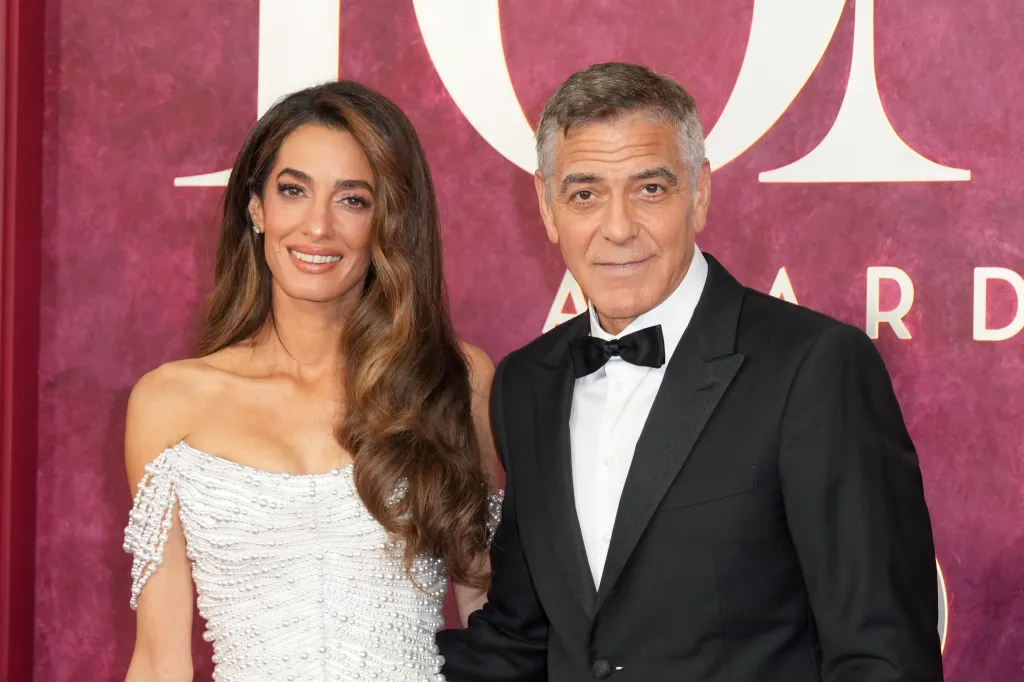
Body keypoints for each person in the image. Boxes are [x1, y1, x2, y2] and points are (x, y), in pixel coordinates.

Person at [438, 62, 943, 682]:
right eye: (584, 193)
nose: (618, 228)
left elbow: (881, 654)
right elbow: (520, 636)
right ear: (546, 207)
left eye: (650, 189)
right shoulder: (526, 384)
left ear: (699, 193)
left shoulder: (813, 368)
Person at [122, 81, 501, 682]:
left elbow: (489, 618)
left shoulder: (453, 378)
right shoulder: (169, 403)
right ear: (256, 208)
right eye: (293, 191)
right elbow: (159, 659)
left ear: (388, 220)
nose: (318, 227)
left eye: (353, 200)